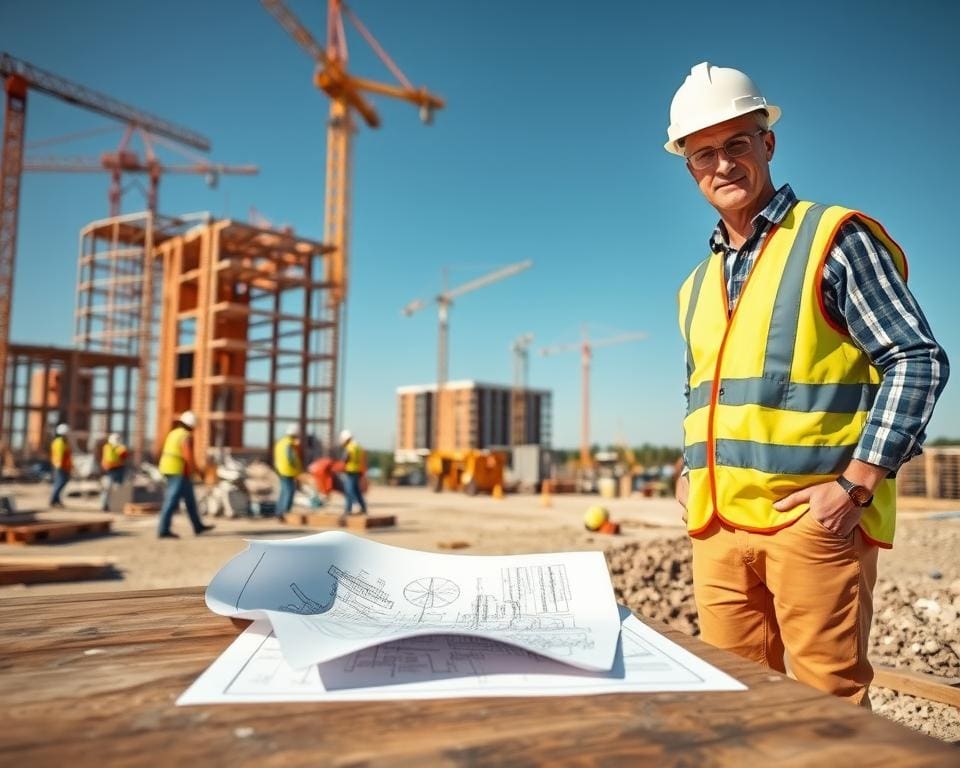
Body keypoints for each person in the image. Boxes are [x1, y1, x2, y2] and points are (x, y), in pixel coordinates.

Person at [668, 62, 948, 707]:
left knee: (827, 709)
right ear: (688, 167)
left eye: (737, 143)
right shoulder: (695, 284)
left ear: (768, 142)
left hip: (812, 522)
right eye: (704, 153)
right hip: (717, 527)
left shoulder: (833, 239)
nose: (723, 164)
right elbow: (702, 396)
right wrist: (688, 472)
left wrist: (857, 484)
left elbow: (916, 358)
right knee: (733, 702)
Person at [156, 410, 214, 539]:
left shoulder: (174, 433)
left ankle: (198, 526)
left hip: (169, 469)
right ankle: (163, 530)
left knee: (190, 500)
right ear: (192, 425)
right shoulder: (186, 436)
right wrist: (199, 472)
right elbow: (189, 457)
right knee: (171, 500)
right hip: (177, 471)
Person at [273, 424, 303, 518]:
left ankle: (279, 511)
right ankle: (285, 513)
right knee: (289, 491)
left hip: (280, 469)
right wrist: (298, 469)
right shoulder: (289, 444)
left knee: (284, 490)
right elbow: (291, 459)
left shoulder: (280, 442)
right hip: (288, 471)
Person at [338, 429, 367, 516]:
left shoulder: (349, 447)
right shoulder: (358, 446)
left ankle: (348, 509)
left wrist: (340, 467)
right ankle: (363, 508)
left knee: (349, 491)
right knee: (356, 491)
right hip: (357, 471)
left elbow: (345, 459)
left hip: (350, 471)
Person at [99, 433, 128, 512]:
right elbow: (110, 460)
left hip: (118, 470)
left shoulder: (119, 447)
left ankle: (113, 505)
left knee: (117, 488)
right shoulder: (108, 447)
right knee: (107, 489)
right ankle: (104, 505)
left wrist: (122, 450)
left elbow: (124, 455)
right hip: (110, 471)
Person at [49, 423, 72, 508]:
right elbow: (59, 455)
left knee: (60, 483)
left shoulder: (62, 441)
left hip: (63, 466)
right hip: (60, 466)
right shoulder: (59, 442)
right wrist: (60, 466)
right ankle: (53, 500)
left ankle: (57, 500)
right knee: (60, 483)